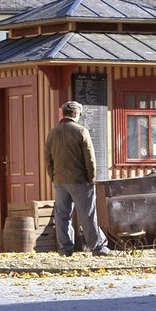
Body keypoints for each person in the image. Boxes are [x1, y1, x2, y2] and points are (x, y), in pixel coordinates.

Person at [44, 100, 111, 257]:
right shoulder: (81, 131)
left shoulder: (52, 132)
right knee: (87, 215)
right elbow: (90, 158)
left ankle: (65, 249)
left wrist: (53, 176)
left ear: (64, 113)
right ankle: (98, 248)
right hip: (80, 180)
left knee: (62, 215)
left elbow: (48, 159)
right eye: (79, 114)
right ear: (75, 113)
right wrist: (91, 177)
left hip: (60, 180)